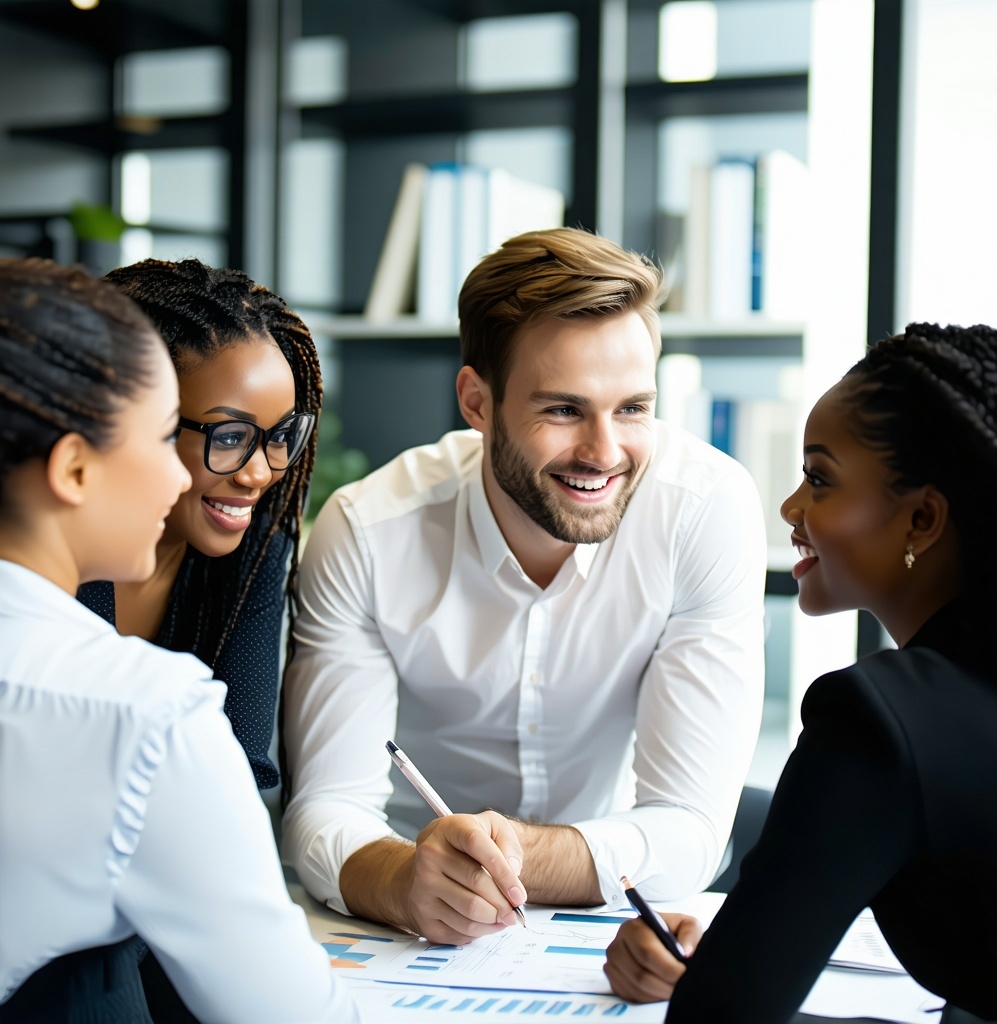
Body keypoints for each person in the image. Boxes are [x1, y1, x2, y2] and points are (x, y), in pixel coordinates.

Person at [282, 227, 767, 945]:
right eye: (564, 410)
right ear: (477, 402)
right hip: (410, 924)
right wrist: (404, 879)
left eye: (633, 408)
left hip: (607, 913)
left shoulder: (704, 510)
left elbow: (690, 827)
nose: (605, 453)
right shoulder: (367, 532)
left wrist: (517, 856)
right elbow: (324, 810)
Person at [603, 322, 997, 1024]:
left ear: (921, 519)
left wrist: (719, 981)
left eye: (820, 478)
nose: (791, 508)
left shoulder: (878, 723)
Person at [0, 259, 355, 1022]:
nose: (259, 474)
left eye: (282, 438)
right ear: (73, 462)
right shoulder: (144, 714)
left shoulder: (248, 555)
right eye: (171, 438)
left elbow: (237, 780)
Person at [77, 258, 320, 792]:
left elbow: (243, 767)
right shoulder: (48, 543)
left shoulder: (255, 543)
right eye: (230, 437)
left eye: (281, 435)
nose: (260, 472)